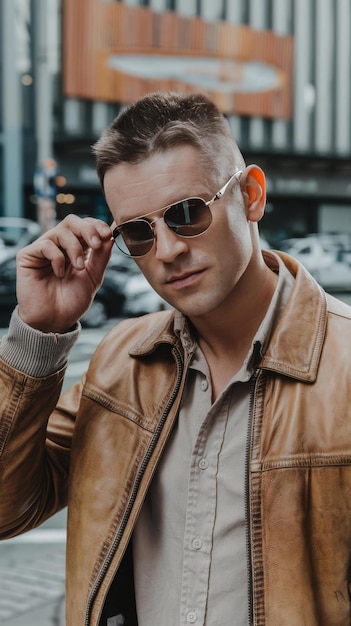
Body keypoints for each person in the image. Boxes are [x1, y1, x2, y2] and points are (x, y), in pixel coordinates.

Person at [1, 91, 351, 626]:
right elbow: (8, 508)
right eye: (138, 232)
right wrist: (39, 334)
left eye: (187, 213)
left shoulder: (344, 365)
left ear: (251, 196)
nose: (166, 251)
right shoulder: (118, 365)